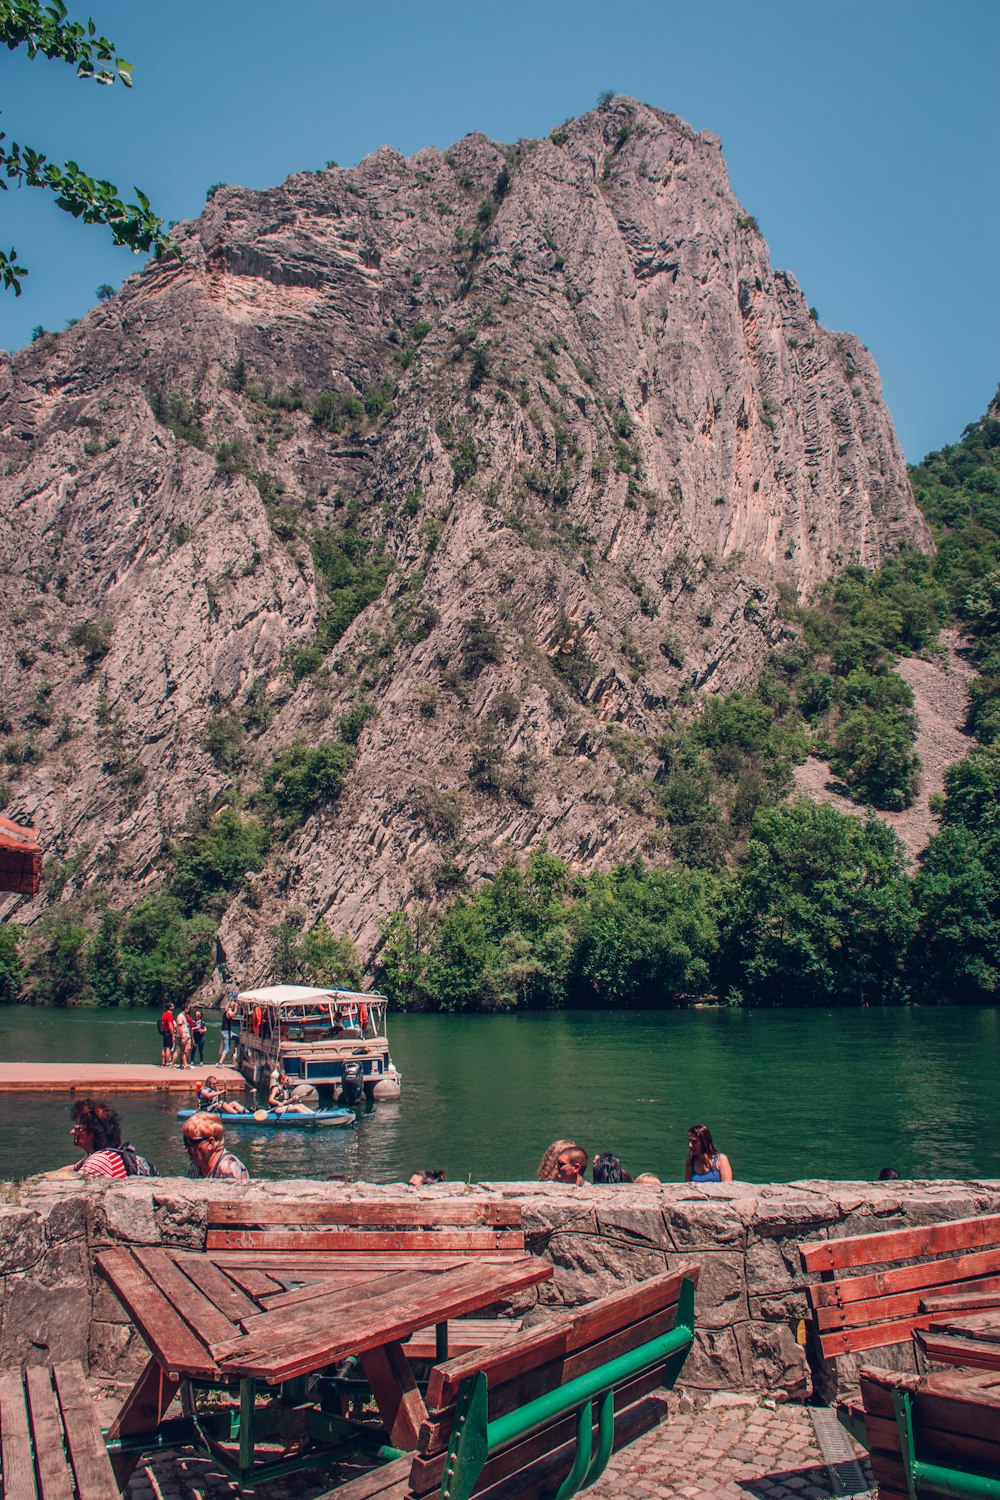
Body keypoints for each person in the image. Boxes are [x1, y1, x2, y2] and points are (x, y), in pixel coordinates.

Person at [182, 1112, 249, 1180]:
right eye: (185, 1140)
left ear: (211, 1143)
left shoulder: (228, 1168)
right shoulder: (196, 1166)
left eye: (191, 1142)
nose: (185, 1146)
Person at [218, 995, 239, 1065]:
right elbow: (232, 1015)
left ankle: (234, 1052)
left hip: (228, 1031)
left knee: (237, 1038)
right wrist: (236, 1008)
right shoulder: (228, 1012)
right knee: (227, 1049)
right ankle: (220, 1063)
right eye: (234, 1006)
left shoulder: (227, 1011)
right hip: (226, 1031)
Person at [174, 1004, 192, 1069]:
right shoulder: (180, 1016)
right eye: (188, 1009)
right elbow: (180, 1027)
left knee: (184, 1050)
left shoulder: (184, 1016)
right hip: (182, 1036)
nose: (189, 1010)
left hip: (185, 1035)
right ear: (185, 1009)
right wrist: (182, 1037)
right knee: (181, 1050)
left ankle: (184, 1064)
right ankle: (184, 1064)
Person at [159, 1003, 175, 1068]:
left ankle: (163, 1062)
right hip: (168, 1032)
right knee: (168, 1048)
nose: (174, 1007)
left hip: (164, 1032)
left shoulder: (164, 1014)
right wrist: (173, 1035)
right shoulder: (169, 1015)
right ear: (170, 1007)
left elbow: (163, 1023)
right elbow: (170, 1025)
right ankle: (167, 1063)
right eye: (173, 1006)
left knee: (164, 1047)